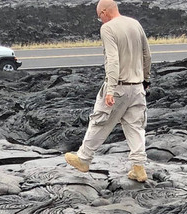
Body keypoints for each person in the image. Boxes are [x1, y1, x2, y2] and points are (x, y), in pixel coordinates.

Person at [64, 0, 152, 182]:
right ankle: (138, 168)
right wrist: (146, 79)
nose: (100, 21)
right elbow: (147, 55)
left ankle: (83, 159)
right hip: (137, 88)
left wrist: (110, 90)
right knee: (135, 127)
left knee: (100, 121)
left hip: (118, 86)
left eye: (99, 17)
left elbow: (112, 61)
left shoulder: (108, 28)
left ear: (104, 12)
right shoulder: (135, 24)